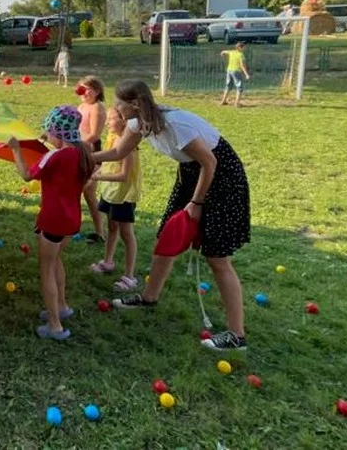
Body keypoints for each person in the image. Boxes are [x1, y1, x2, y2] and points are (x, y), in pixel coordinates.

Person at [95, 80, 252, 352]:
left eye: (119, 101)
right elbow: (118, 151)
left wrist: (196, 202)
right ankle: (148, 298)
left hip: (222, 177)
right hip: (191, 174)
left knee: (217, 257)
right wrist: (83, 155)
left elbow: (210, 162)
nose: (116, 106)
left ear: (133, 104)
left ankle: (237, 335)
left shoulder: (175, 124)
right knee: (167, 239)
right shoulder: (137, 123)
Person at [8, 104, 94, 340]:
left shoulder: (55, 156)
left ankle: (55, 326)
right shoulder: (82, 153)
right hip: (72, 220)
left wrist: (16, 149)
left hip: (53, 221)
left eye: (49, 132)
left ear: (58, 132)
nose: (47, 136)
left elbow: (27, 175)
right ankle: (62, 307)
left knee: (46, 270)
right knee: (57, 261)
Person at [90, 107, 143, 290]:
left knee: (126, 233)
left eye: (110, 119)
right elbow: (108, 163)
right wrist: (96, 171)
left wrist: (97, 177)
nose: (106, 123)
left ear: (124, 120)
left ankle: (129, 276)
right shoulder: (113, 138)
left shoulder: (128, 146)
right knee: (112, 227)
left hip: (124, 195)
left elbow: (124, 175)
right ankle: (108, 261)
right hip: (111, 192)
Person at [76, 76, 107, 243]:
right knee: (82, 192)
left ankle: (100, 233)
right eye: (82, 88)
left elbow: (94, 134)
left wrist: (77, 145)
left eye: (88, 89)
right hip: (79, 150)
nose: (84, 92)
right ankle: (77, 228)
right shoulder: (82, 105)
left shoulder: (97, 108)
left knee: (88, 192)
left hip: (91, 153)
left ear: (97, 91)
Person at [219, 42, 250, 107]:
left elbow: (224, 51)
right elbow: (242, 66)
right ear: (240, 48)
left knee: (228, 86)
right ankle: (237, 103)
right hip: (236, 71)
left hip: (229, 70)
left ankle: (223, 101)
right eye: (243, 47)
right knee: (239, 87)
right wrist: (246, 74)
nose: (244, 48)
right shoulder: (241, 55)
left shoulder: (232, 52)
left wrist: (222, 53)